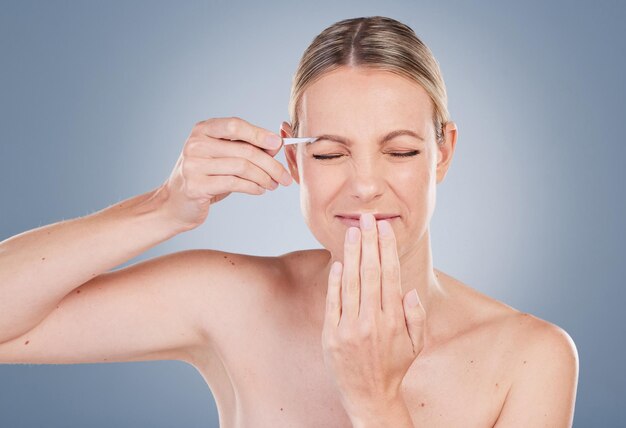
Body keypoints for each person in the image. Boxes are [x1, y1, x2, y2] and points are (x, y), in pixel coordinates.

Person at [0, 15, 578, 428]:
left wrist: (375, 402)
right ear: (296, 161)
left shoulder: (530, 358)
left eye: (400, 151)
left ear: (443, 153)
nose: (365, 183)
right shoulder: (231, 299)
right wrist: (162, 207)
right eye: (329, 152)